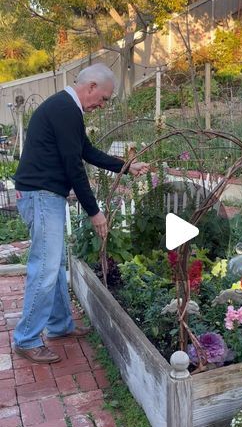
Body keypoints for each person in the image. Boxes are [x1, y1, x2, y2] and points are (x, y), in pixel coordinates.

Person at [13, 63, 148, 364]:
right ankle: (26, 338)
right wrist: (94, 212)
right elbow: (74, 167)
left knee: (55, 264)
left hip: (45, 194)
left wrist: (126, 167)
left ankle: (59, 325)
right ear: (91, 87)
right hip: (41, 195)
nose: (102, 105)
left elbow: (86, 151)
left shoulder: (67, 109)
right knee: (45, 268)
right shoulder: (65, 109)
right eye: (104, 98)